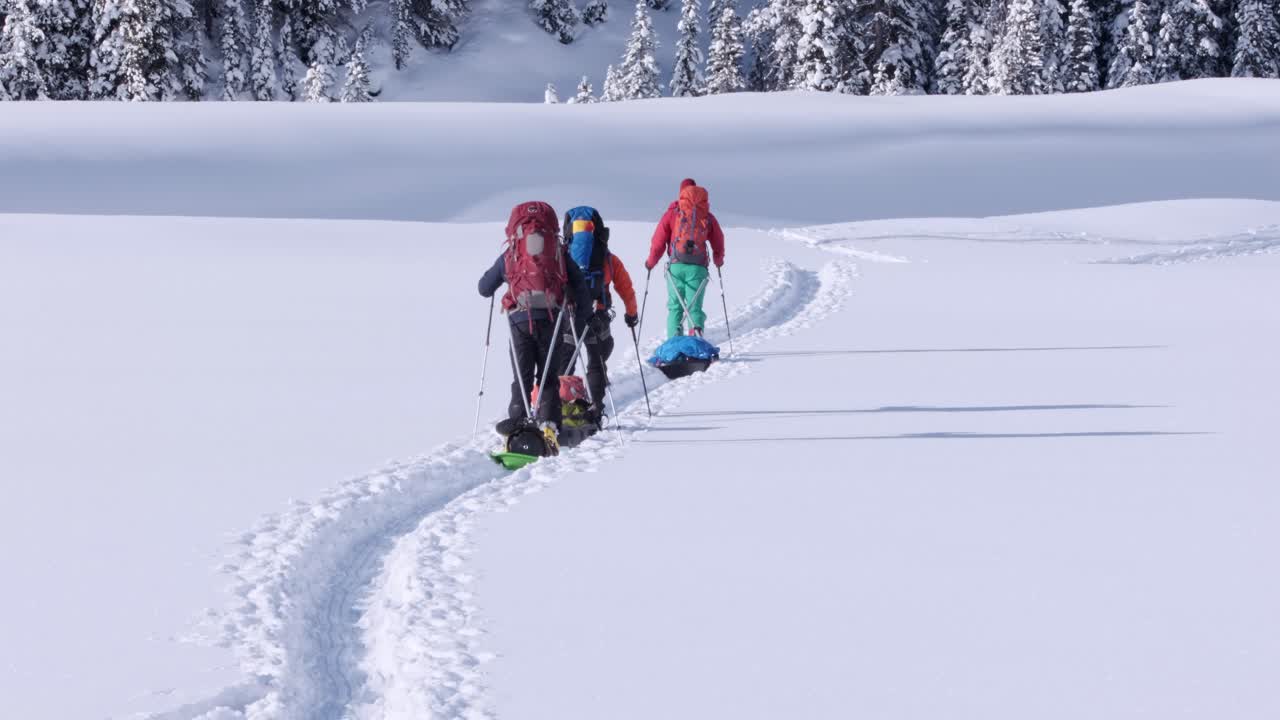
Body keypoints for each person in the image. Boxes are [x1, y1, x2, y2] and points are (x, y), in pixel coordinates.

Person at [479, 201, 591, 449]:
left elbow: (484, 288)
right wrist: (582, 317)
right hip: (551, 319)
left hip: (519, 320)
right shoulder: (558, 251)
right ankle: (549, 426)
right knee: (548, 378)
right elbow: (580, 286)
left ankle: (517, 427)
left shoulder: (511, 253)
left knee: (522, 376)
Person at [560, 206, 639, 419]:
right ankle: (596, 404)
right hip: (598, 314)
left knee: (566, 359)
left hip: (570, 314)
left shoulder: (563, 256)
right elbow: (626, 288)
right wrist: (631, 314)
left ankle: (561, 406)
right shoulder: (609, 259)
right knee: (597, 358)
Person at [644, 178, 725, 338]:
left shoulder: (672, 214)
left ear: (681, 194)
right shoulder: (707, 216)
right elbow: (719, 241)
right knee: (694, 307)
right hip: (698, 268)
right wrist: (718, 260)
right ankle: (696, 341)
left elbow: (658, 242)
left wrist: (650, 262)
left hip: (676, 267)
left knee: (675, 307)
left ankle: (674, 343)